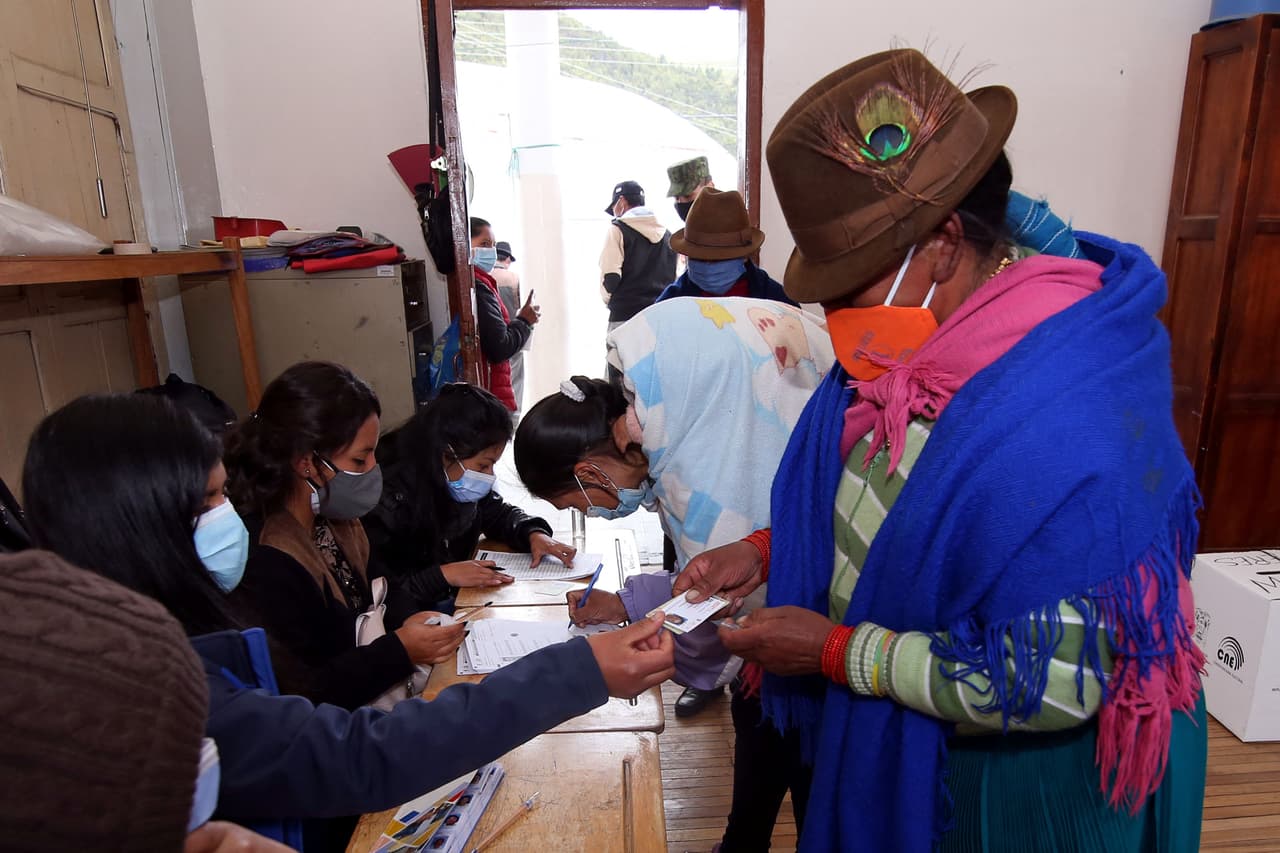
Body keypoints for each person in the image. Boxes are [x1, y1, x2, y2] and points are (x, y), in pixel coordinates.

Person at [676, 49, 1207, 852]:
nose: (835, 315)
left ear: (944, 246)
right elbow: (891, 516)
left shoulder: (1066, 408)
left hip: (1026, 787)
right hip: (930, 748)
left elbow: (1058, 678)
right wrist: (763, 550)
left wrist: (833, 651)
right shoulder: (913, 358)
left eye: (850, 286)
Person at [20, 391, 677, 851]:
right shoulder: (151, 683)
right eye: (211, 499)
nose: (230, 515)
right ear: (142, 523)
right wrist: (578, 668)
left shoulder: (119, 636)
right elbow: (357, 749)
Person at [514, 296, 832, 839]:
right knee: (762, 754)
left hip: (817, 658)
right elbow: (711, 578)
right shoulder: (682, 449)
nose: (590, 513)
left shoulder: (702, 473)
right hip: (776, 670)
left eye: (576, 501)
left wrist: (635, 635)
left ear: (590, 468)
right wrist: (623, 605)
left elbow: (716, 605)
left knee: (811, 781)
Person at [223, 361, 461, 710]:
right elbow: (307, 690)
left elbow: (383, 585)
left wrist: (409, 619)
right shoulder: (268, 559)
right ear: (307, 463)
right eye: (360, 459)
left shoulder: (335, 519)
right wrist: (400, 650)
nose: (373, 471)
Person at [365, 382, 577, 621]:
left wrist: (532, 533)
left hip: (454, 603)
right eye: (483, 465)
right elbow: (382, 599)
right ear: (446, 454)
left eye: (492, 465)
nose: (489, 476)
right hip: (413, 621)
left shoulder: (450, 479)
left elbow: (495, 512)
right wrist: (443, 575)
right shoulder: (385, 499)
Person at [657, 188, 796, 306]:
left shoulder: (778, 304)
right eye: (698, 257)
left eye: (718, 258)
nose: (708, 265)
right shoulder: (669, 305)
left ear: (745, 256)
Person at [470, 218, 539, 412]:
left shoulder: (483, 281)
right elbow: (498, 347)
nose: (489, 251)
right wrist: (525, 320)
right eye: (484, 244)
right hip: (505, 349)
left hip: (507, 339)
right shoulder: (480, 286)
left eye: (492, 245)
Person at [598, 180, 677, 335]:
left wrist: (612, 301)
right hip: (660, 317)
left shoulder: (617, 230)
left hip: (625, 317)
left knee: (620, 360)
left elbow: (611, 279)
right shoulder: (668, 236)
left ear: (621, 201)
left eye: (614, 208)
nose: (615, 213)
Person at [492, 240, 529, 413]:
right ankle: (513, 422)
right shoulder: (513, 277)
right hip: (512, 336)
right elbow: (517, 306)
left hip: (492, 338)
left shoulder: (485, 275)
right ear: (507, 259)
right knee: (515, 384)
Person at [666, 155, 714, 221]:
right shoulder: (688, 230)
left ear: (710, 187)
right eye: (676, 198)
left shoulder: (730, 223)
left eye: (687, 196)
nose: (680, 202)